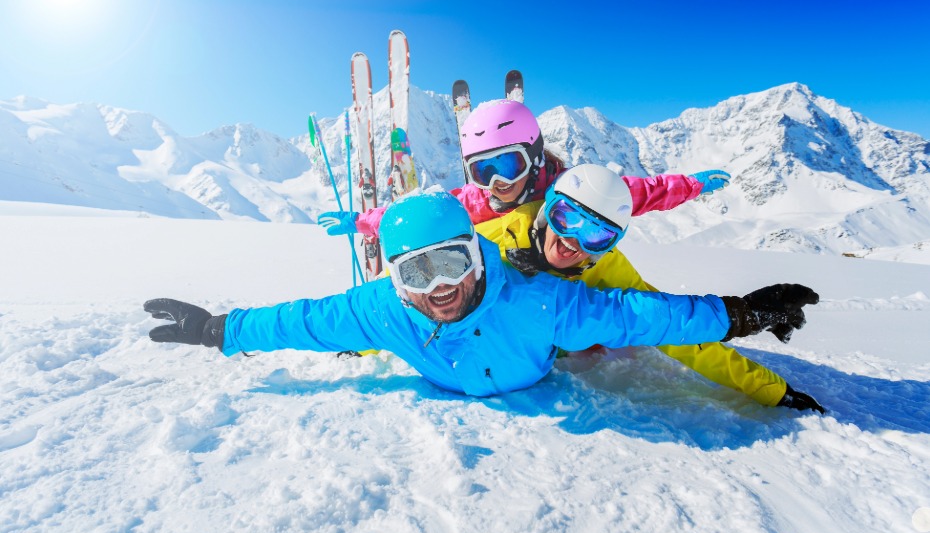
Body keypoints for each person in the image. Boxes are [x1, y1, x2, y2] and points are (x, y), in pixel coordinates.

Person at [144, 191, 820, 399]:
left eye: (452, 263)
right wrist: (217, 330)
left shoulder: (536, 299)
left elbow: (646, 314)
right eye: (417, 273)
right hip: (452, 365)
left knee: (601, 337)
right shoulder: (383, 310)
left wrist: (745, 314)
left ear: (479, 254)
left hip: (540, 360)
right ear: (395, 280)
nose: (440, 287)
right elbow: (303, 321)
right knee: (346, 339)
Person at [475, 163, 825, 412]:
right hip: (497, 349)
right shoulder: (496, 239)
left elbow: (672, 329)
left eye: (595, 236)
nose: (572, 241)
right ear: (547, 209)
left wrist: (770, 390)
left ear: (610, 245)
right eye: (566, 218)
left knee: (599, 324)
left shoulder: (610, 269)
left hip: (557, 347)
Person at [318, 99, 731, 236]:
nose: (499, 182)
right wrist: (361, 221)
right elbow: (418, 214)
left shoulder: (570, 188)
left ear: (534, 157)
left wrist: (690, 185)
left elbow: (639, 192)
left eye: (509, 164)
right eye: (484, 171)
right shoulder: (475, 200)